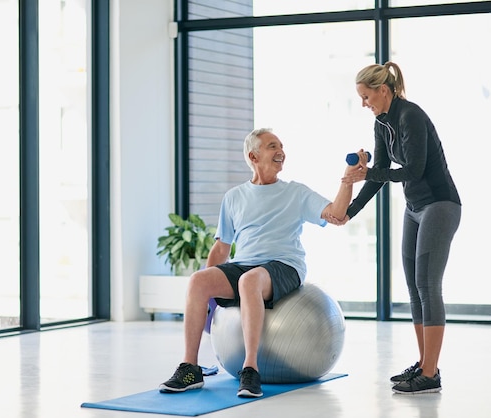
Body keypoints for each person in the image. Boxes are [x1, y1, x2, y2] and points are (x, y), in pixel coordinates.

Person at [158, 127, 364, 398]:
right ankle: (190, 368)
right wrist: (208, 296)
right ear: (253, 157)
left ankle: (251, 369)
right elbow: (222, 248)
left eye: (281, 146)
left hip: (284, 265)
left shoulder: (296, 193)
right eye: (272, 146)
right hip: (244, 264)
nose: (281, 151)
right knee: (198, 280)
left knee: (250, 280)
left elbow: (337, 214)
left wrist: (347, 181)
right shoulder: (233, 197)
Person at [339, 62, 461, 395]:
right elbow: (379, 171)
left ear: (383, 90)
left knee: (427, 283)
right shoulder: (381, 123)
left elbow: (414, 170)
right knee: (413, 286)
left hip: (440, 204)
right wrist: (350, 211)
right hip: (414, 208)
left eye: (366, 97)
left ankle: (431, 372)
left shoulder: (410, 116)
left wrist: (370, 175)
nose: (364, 104)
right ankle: (424, 365)